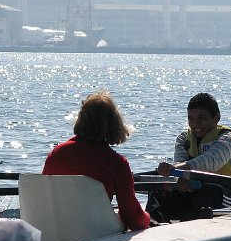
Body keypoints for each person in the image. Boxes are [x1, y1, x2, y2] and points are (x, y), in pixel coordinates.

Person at [42, 90, 151, 231]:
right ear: (113, 124)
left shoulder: (56, 154)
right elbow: (133, 219)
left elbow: (44, 198)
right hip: (94, 234)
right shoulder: (117, 164)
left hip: (55, 232)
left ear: (81, 119)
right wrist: (148, 217)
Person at [147, 93, 231, 222]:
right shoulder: (183, 138)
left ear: (216, 118)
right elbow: (179, 162)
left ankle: (188, 226)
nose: (195, 124)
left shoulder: (226, 138)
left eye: (201, 118)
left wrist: (179, 169)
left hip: (224, 194)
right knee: (158, 188)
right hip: (193, 189)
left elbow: (210, 161)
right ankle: (154, 223)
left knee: (210, 191)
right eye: (191, 119)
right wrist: (178, 178)